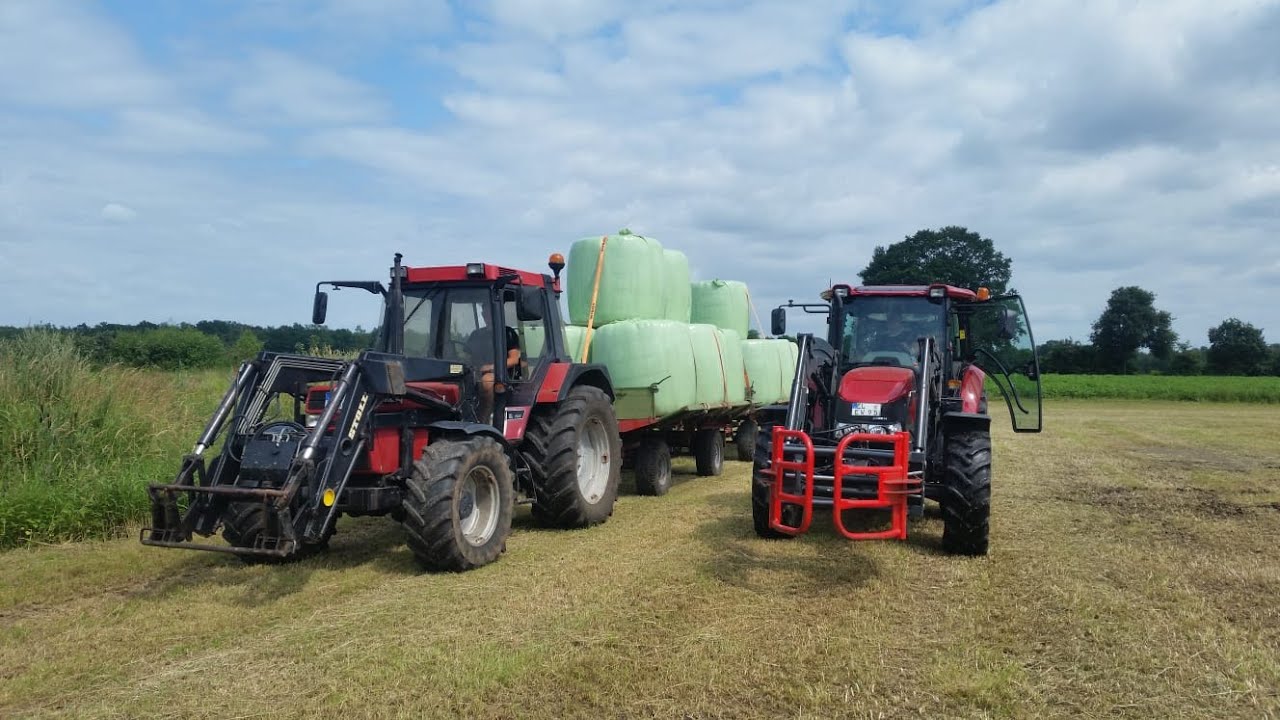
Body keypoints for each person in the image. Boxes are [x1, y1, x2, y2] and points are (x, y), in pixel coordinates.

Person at [464, 302, 521, 422]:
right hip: (476, 371)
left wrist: (491, 368)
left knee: (486, 381)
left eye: (489, 313)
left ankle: (483, 419)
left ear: (496, 314)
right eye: (484, 313)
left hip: (502, 374)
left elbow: (514, 359)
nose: (486, 316)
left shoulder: (508, 333)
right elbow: (467, 358)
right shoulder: (476, 334)